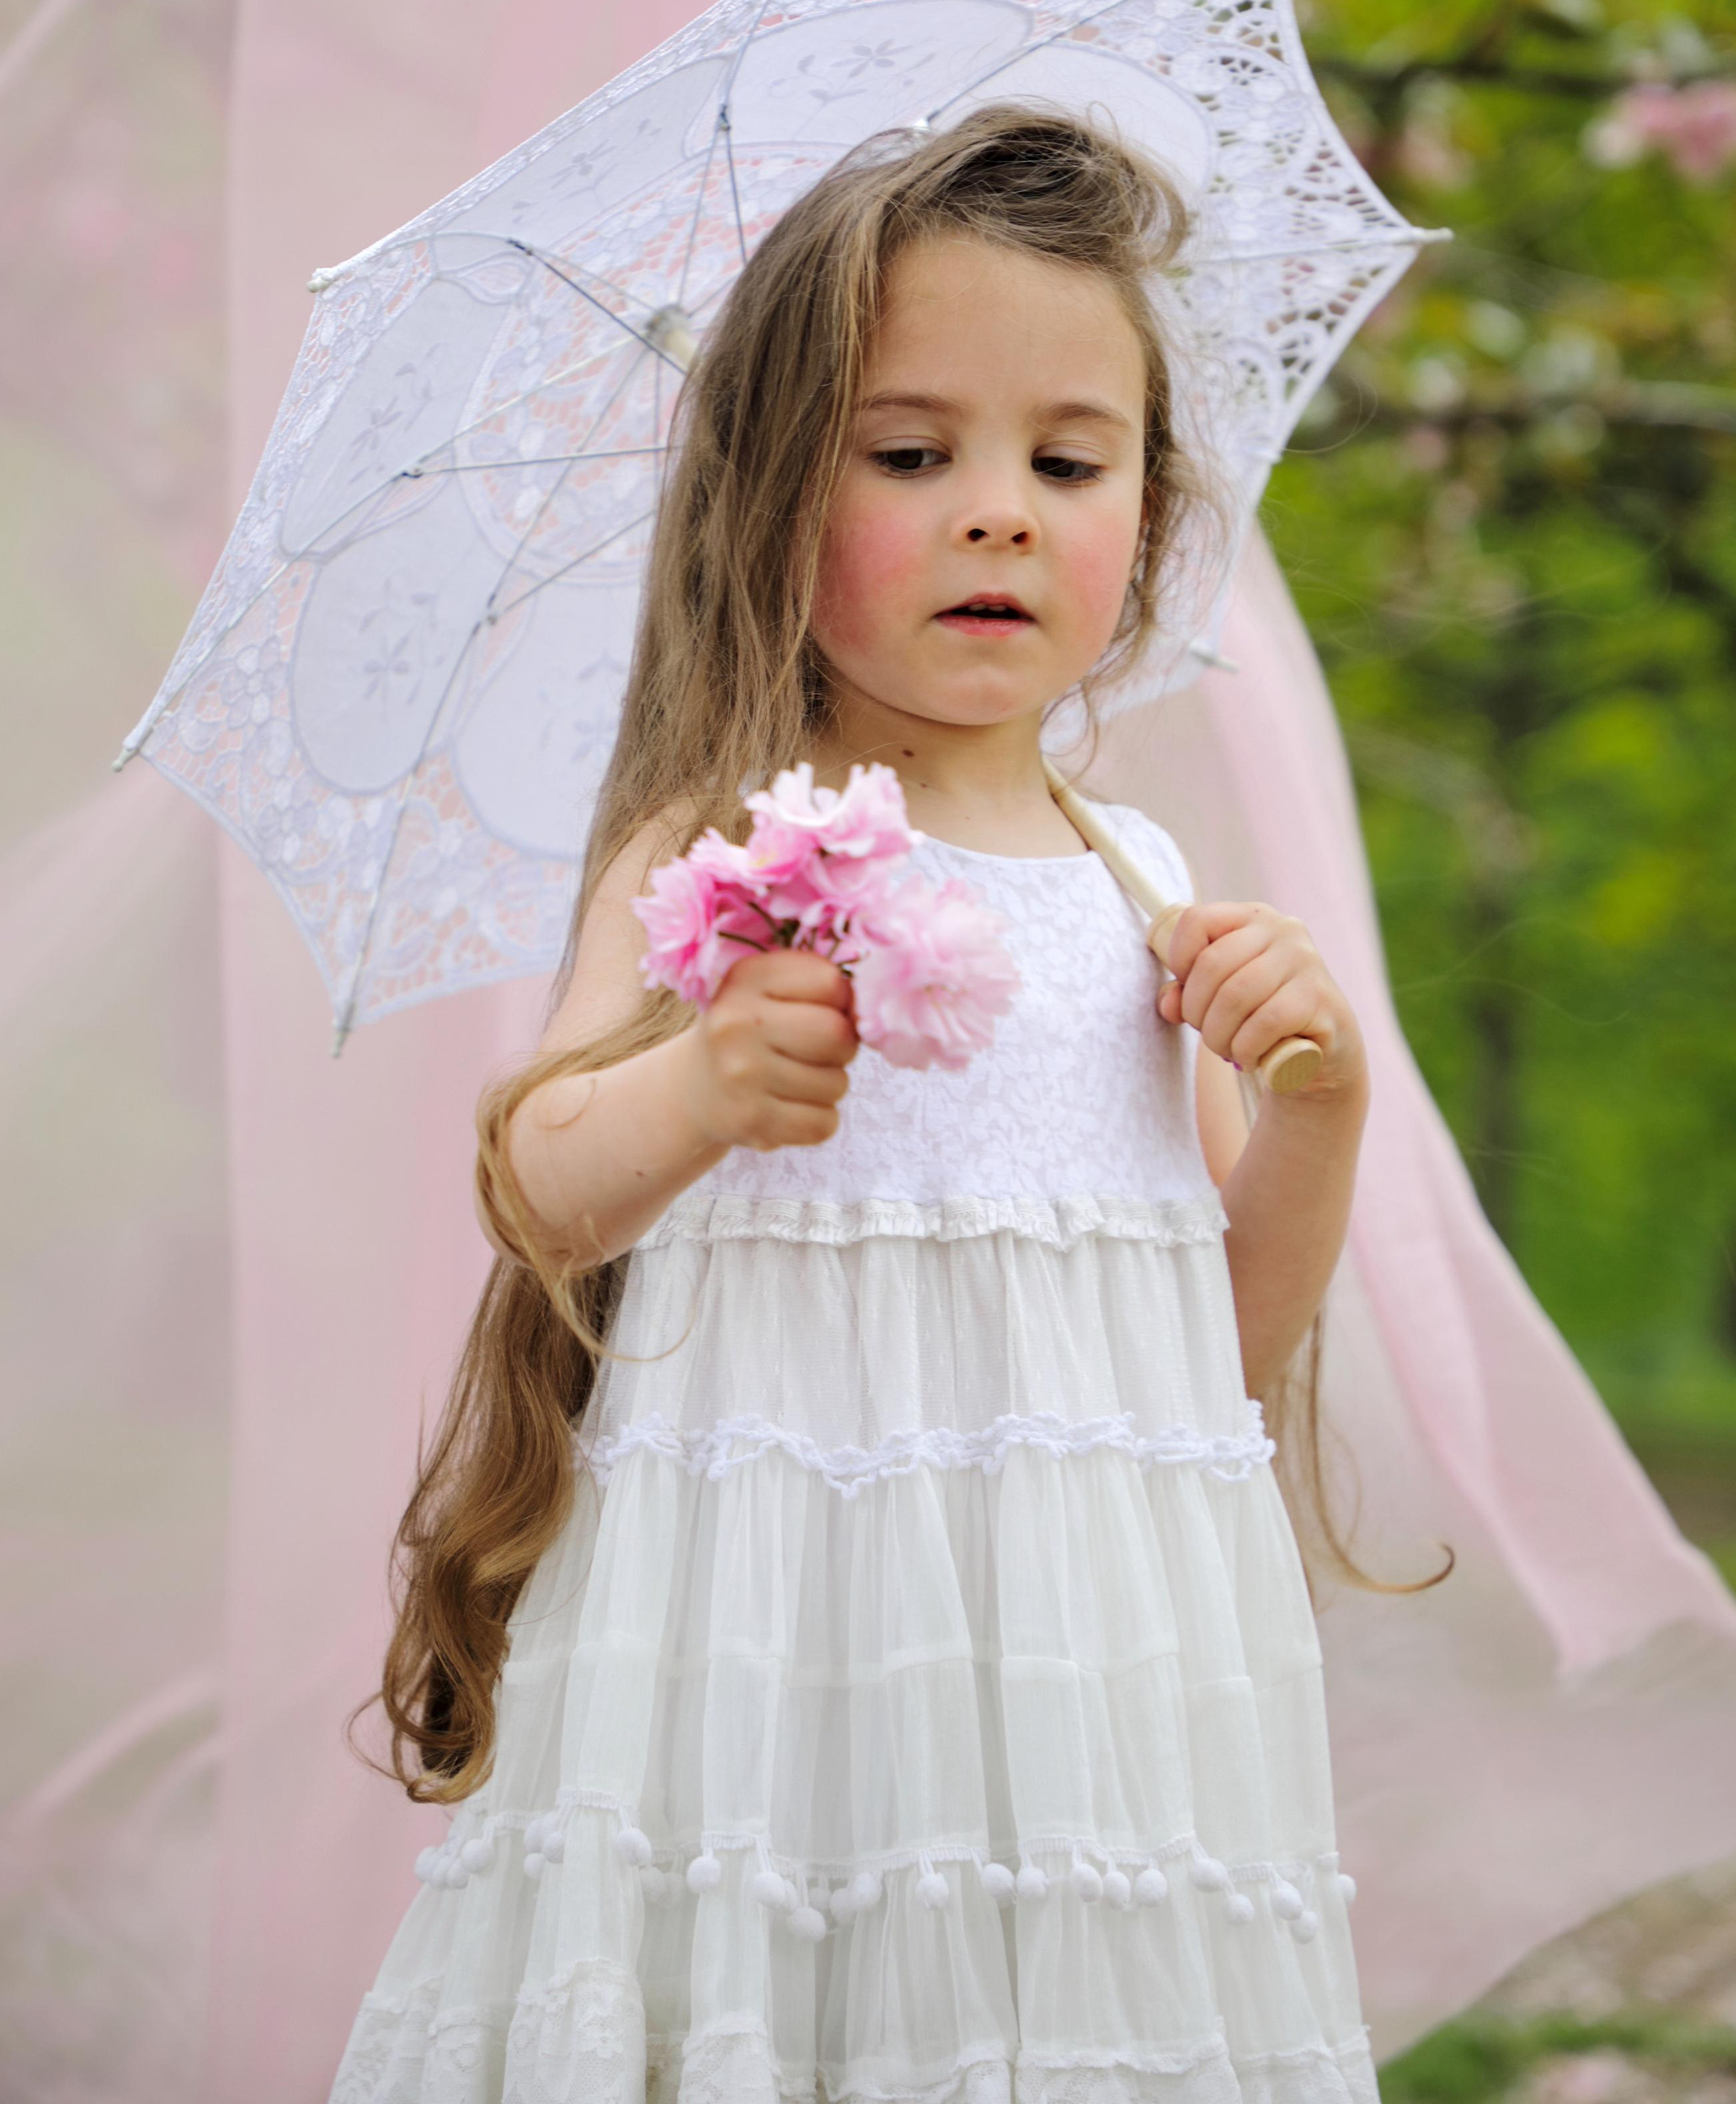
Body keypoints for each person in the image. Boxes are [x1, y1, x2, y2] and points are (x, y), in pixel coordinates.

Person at [331, 108, 1378, 2103]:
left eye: (1069, 461)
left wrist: (1316, 1112)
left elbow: (1214, 1338)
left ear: (1144, 524)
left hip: (1077, 1664)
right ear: (771, 501)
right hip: (779, 1634)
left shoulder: (1143, 888)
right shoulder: (718, 845)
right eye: (911, 455)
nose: (1000, 511)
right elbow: (546, 1189)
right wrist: (705, 1082)